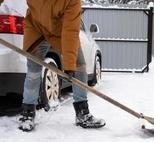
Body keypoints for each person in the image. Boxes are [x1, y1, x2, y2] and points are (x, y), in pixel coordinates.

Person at [0, 0, 106, 131]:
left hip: (59, 32)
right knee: (33, 70)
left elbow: (70, 31)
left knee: (79, 66)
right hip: (36, 28)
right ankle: (28, 113)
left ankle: (82, 112)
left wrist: (69, 65)